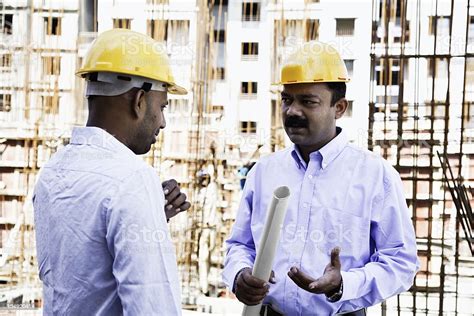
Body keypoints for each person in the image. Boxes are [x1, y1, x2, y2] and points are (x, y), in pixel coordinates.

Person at [222, 41, 419, 315]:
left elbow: (400, 262)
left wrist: (344, 285)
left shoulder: (376, 176)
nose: (292, 111)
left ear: (339, 108)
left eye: (308, 102)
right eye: (287, 100)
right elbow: (239, 245)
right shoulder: (264, 172)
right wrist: (239, 273)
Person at [33, 29, 191, 315]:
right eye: (162, 106)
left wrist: (152, 217)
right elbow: (152, 304)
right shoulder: (133, 179)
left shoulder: (53, 172)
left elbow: (85, 263)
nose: (163, 122)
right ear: (139, 101)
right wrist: (143, 210)